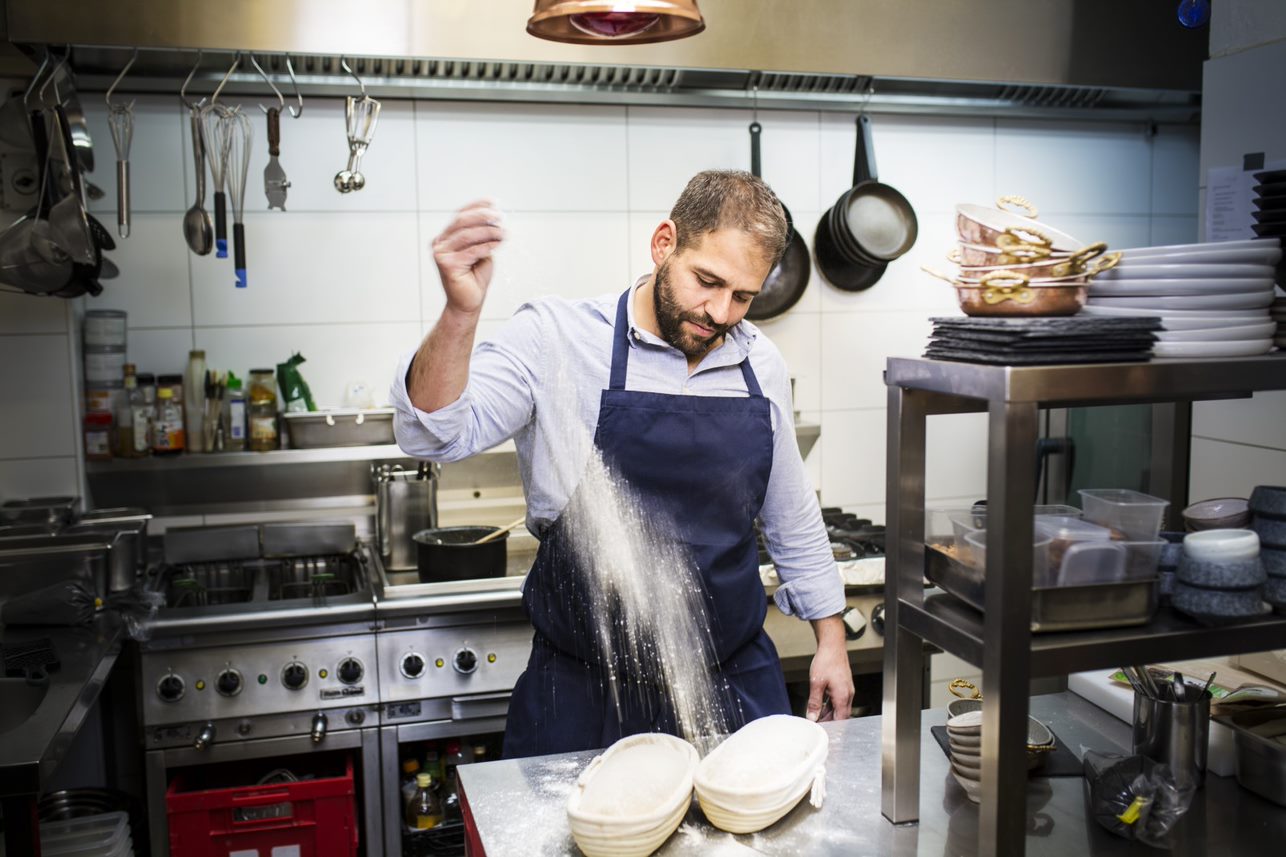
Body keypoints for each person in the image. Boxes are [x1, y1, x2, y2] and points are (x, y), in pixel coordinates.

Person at [391, 170, 853, 758]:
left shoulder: (757, 364)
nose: (719, 312)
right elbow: (432, 433)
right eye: (706, 281)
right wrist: (459, 314)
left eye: (743, 296)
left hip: (729, 682)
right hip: (588, 692)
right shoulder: (557, 339)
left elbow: (792, 515)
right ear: (665, 243)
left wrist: (831, 639)